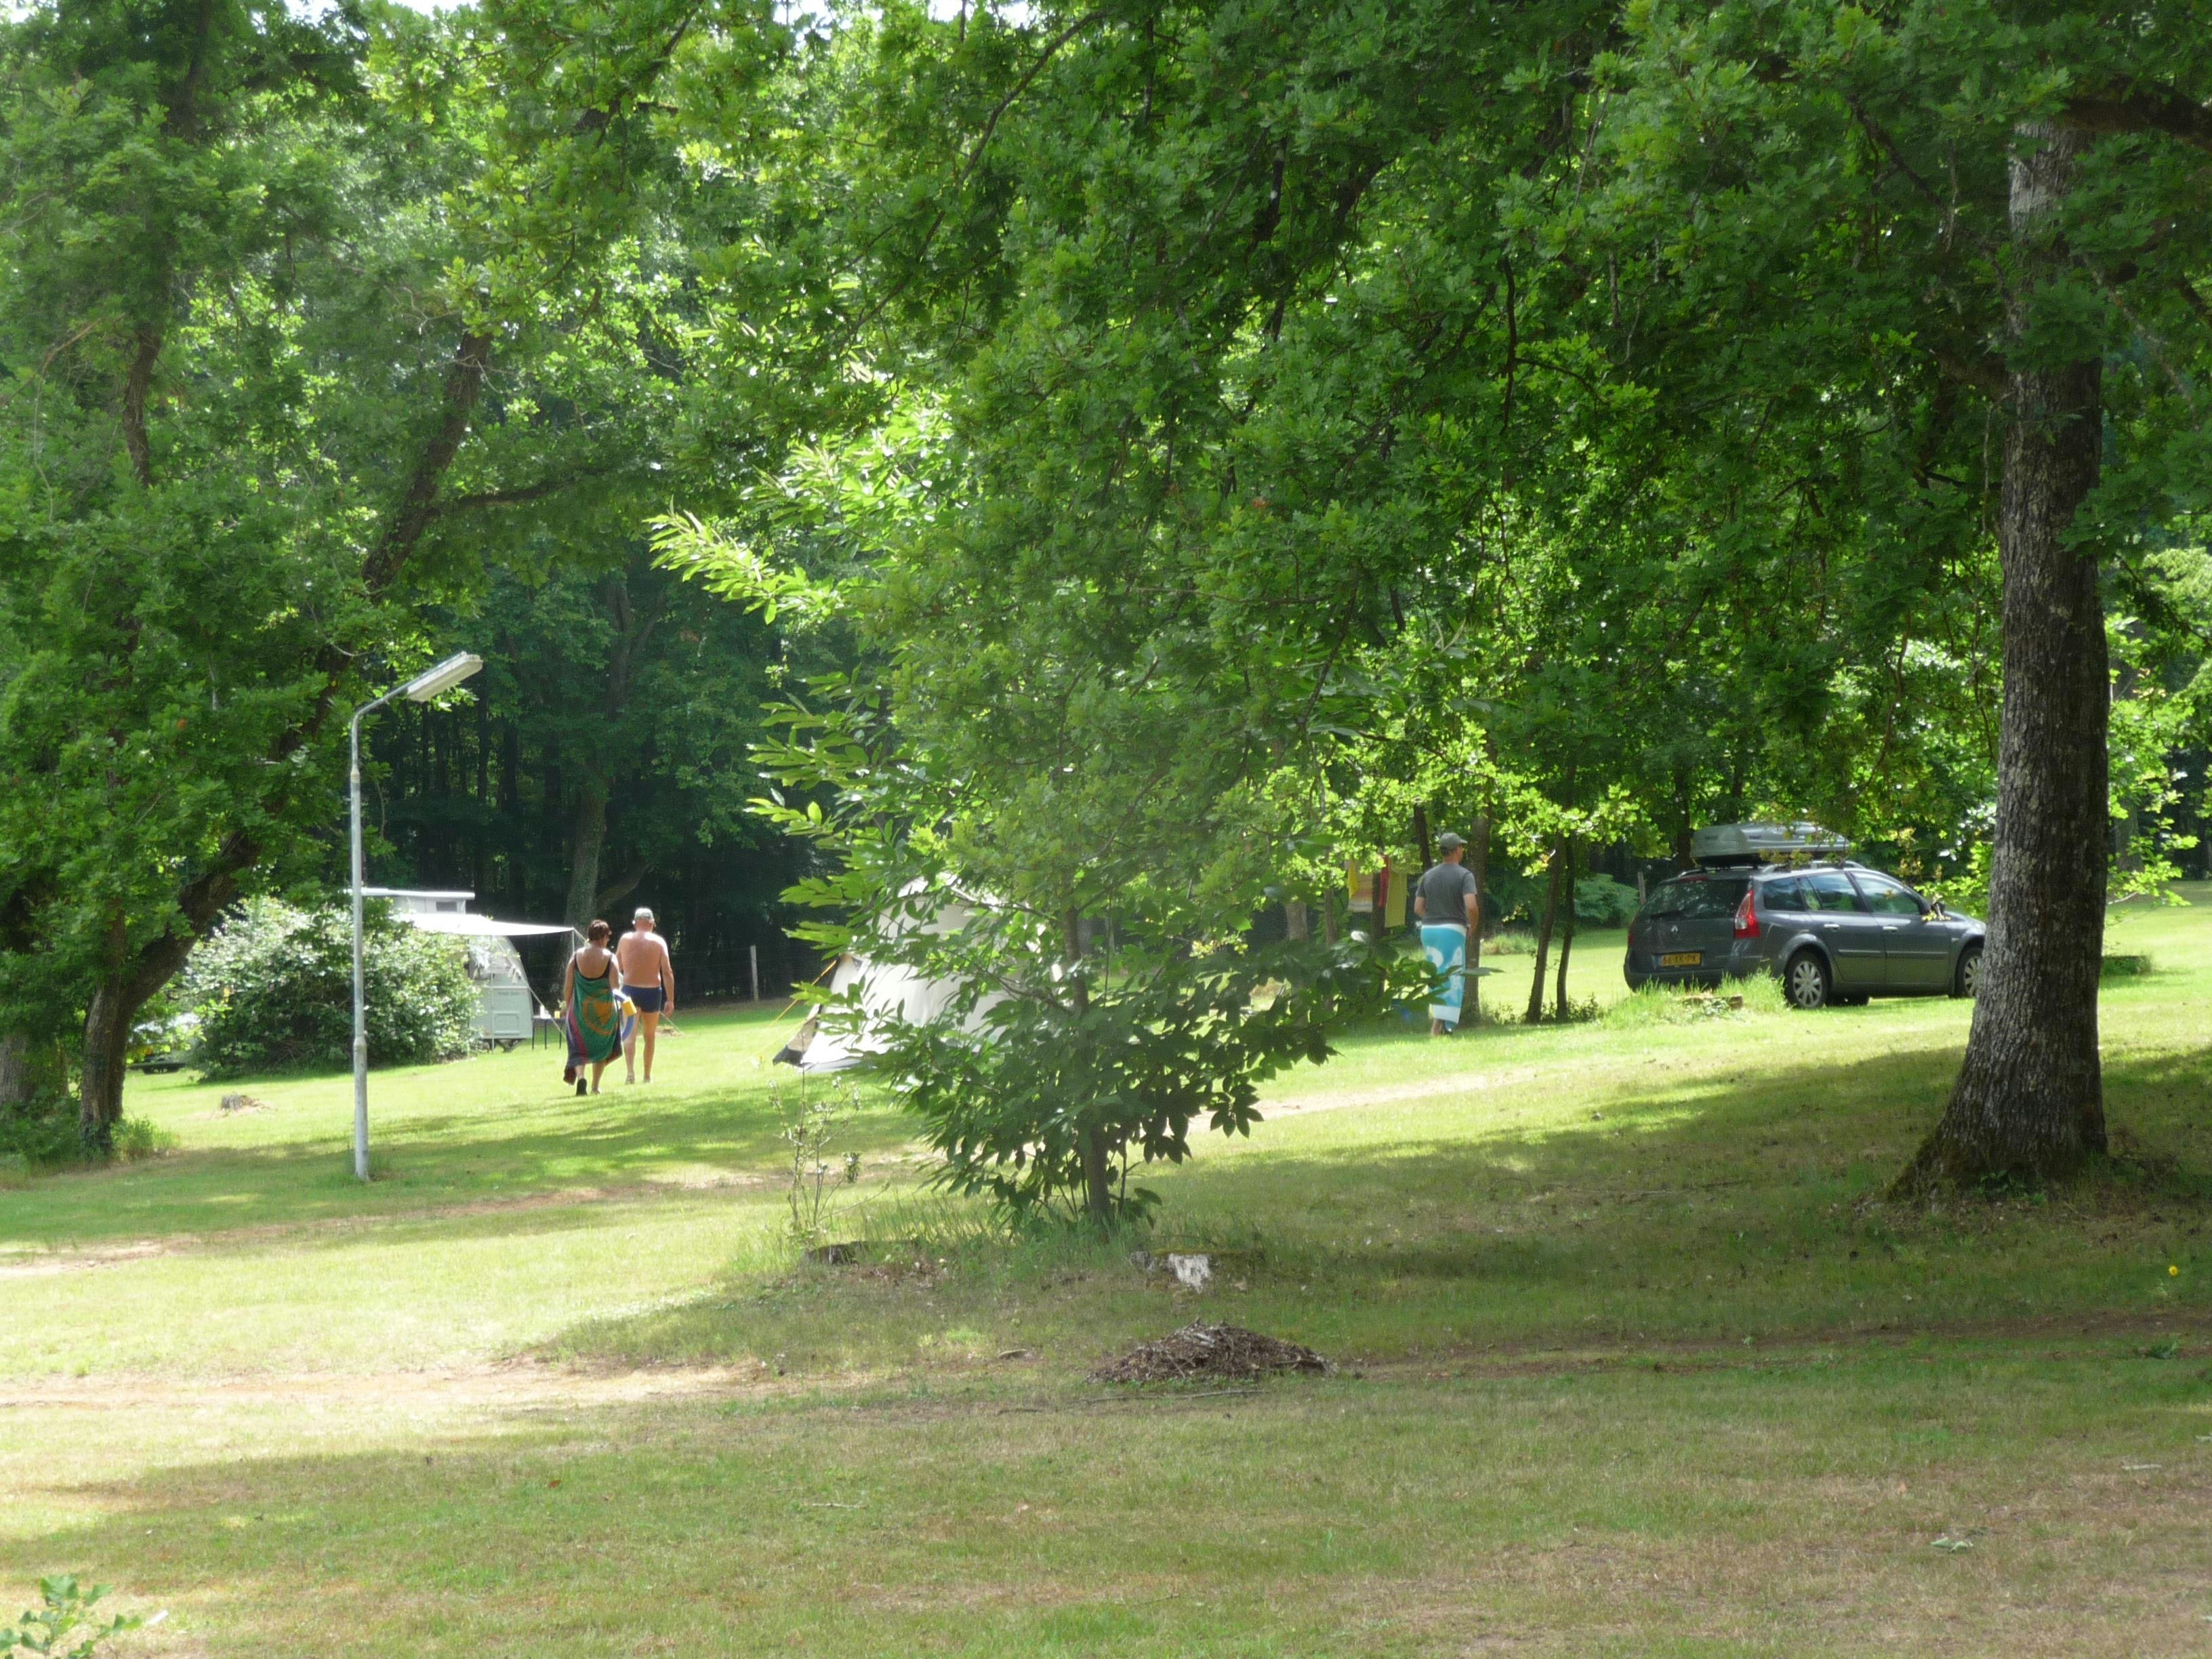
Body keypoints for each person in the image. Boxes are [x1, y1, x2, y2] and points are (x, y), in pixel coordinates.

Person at [1414, 831, 1481, 1036]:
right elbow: (1472, 906)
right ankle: (1439, 1026)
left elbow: (1418, 907)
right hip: (1452, 930)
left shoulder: (1429, 875)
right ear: (1456, 850)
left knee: (1436, 974)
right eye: (1461, 847)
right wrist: (1472, 926)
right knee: (1452, 975)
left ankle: (1439, 1023)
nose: (1463, 850)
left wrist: (1432, 918)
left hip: (1428, 930)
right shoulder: (1464, 875)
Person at [562, 920, 625, 1096]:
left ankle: (581, 1077)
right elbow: (615, 988)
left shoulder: (576, 957)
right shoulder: (610, 958)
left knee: (578, 1048)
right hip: (604, 1013)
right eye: (608, 937)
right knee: (602, 1049)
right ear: (603, 937)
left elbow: (568, 987)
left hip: (579, 1012)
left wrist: (569, 1008)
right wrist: (624, 1006)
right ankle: (596, 1086)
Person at [616, 905, 675, 1084]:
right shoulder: (659, 942)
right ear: (651, 923)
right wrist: (670, 1000)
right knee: (650, 1036)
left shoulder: (625, 940)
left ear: (635, 923)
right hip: (652, 992)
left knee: (629, 1034)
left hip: (629, 991)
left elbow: (616, 966)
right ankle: (647, 1076)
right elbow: (667, 972)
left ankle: (630, 1073)